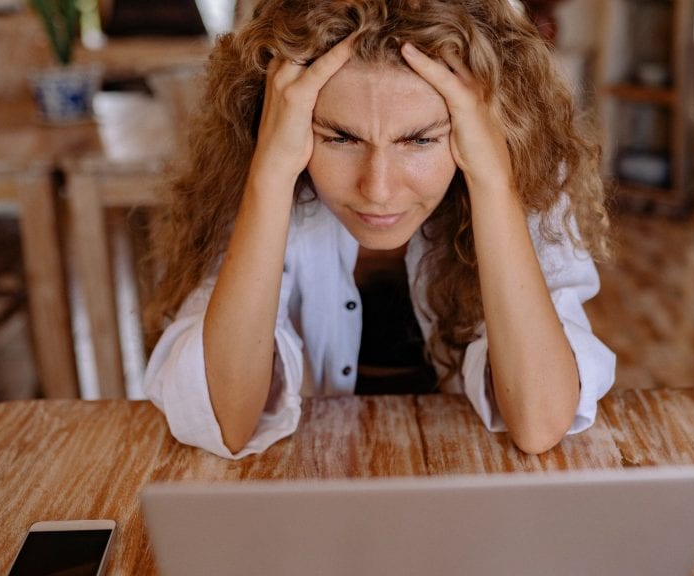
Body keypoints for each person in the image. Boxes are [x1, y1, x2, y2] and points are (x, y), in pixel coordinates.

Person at [143, 0, 615, 459]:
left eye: (421, 139)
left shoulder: (527, 181)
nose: (379, 189)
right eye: (341, 137)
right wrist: (270, 174)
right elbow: (225, 422)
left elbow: (539, 423)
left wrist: (491, 180)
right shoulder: (254, 175)